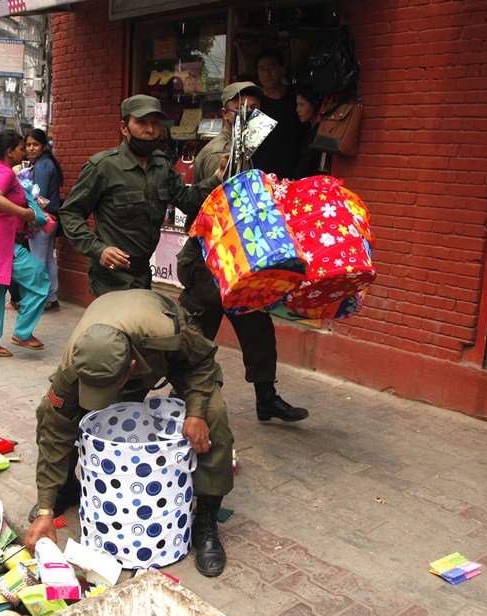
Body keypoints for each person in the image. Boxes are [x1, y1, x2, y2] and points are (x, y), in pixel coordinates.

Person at [24, 289, 233, 577]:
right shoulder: (76, 362)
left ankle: (207, 518)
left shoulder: (168, 331)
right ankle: (67, 489)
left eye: (108, 387)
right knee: (60, 413)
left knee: (215, 416)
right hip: (114, 336)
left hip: (175, 355)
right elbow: (53, 430)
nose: (103, 397)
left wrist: (196, 413)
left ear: (130, 369)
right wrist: (46, 509)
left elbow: (203, 360)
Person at [176, 82, 309, 423]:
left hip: (242, 260)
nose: (250, 117)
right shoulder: (217, 153)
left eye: (255, 110)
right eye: (242, 110)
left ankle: (266, 398)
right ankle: (179, 401)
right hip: (209, 263)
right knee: (193, 337)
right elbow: (212, 207)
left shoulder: (249, 151)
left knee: (259, 332)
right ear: (226, 114)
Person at [59, 94, 227, 297]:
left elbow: (188, 200)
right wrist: (98, 249)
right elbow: (70, 213)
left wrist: (218, 176)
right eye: (141, 122)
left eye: (155, 123)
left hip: (143, 274)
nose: (150, 130)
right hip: (110, 277)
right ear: (124, 128)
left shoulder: (162, 165)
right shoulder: (103, 167)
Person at [0, 130, 49, 357]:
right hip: (1, 244)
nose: (24, 152)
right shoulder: (4, 172)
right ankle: (23, 333)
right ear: (9, 152)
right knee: (40, 279)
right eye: (20, 148)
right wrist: (25, 213)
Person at [252, 48, 305, 180]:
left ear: (283, 70)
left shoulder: (296, 99)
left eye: (271, 67)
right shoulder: (256, 104)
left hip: (294, 175)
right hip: (262, 178)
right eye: (261, 69)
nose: (267, 73)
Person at [25, 129, 63, 312]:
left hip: (43, 217)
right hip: (52, 217)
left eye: (35, 144)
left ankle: (40, 299)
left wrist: (32, 218)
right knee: (48, 258)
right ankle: (51, 297)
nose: (31, 148)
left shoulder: (41, 166)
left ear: (44, 146)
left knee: (38, 260)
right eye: (28, 145)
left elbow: (38, 197)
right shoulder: (47, 163)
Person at [292, 83, 323, 179]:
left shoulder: (321, 132)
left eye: (301, 105)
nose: (298, 110)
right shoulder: (307, 130)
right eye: (297, 105)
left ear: (314, 105)